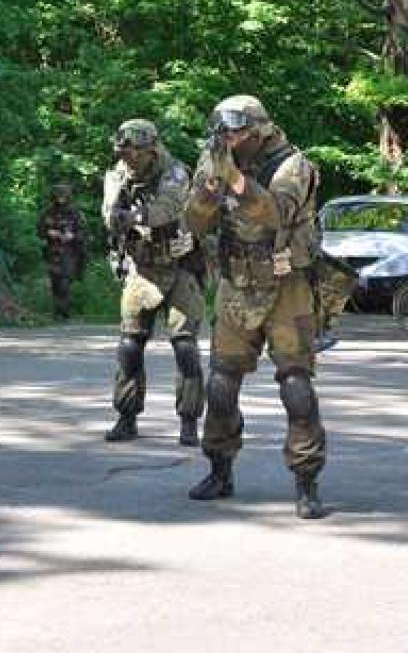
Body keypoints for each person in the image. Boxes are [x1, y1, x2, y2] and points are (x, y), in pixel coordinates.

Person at [184, 95, 327, 520]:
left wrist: (235, 180)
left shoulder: (292, 165)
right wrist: (212, 185)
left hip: (287, 287)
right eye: (223, 134)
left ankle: (306, 481)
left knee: (296, 387)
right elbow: (194, 223)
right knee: (221, 385)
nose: (228, 141)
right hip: (237, 284)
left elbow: (275, 215)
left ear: (260, 129)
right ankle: (219, 469)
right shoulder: (217, 159)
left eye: (236, 133)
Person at [101, 119, 205, 447]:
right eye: (123, 153)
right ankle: (127, 416)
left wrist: (133, 217)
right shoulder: (119, 175)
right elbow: (108, 213)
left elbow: (166, 208)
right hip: (142, 268)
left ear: (151, 150)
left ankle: (189, 421)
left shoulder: (174, 172)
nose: (128, 159)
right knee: (129, 346)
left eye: (134, 152)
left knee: (185, 347)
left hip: (179, 267)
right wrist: (115, 217)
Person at [36, 183, 86, 319]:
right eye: (58, 196)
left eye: (63, 196)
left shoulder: (75, 213)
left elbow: (83, 232)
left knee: (65, 282)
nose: (61, 199)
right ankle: (57, 311)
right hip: (52, 251)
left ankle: (64, 311)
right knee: (55, 282)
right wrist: (49, 233)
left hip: (69, 252)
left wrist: (73, 236)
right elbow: (40, 230)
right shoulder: (47, 213)